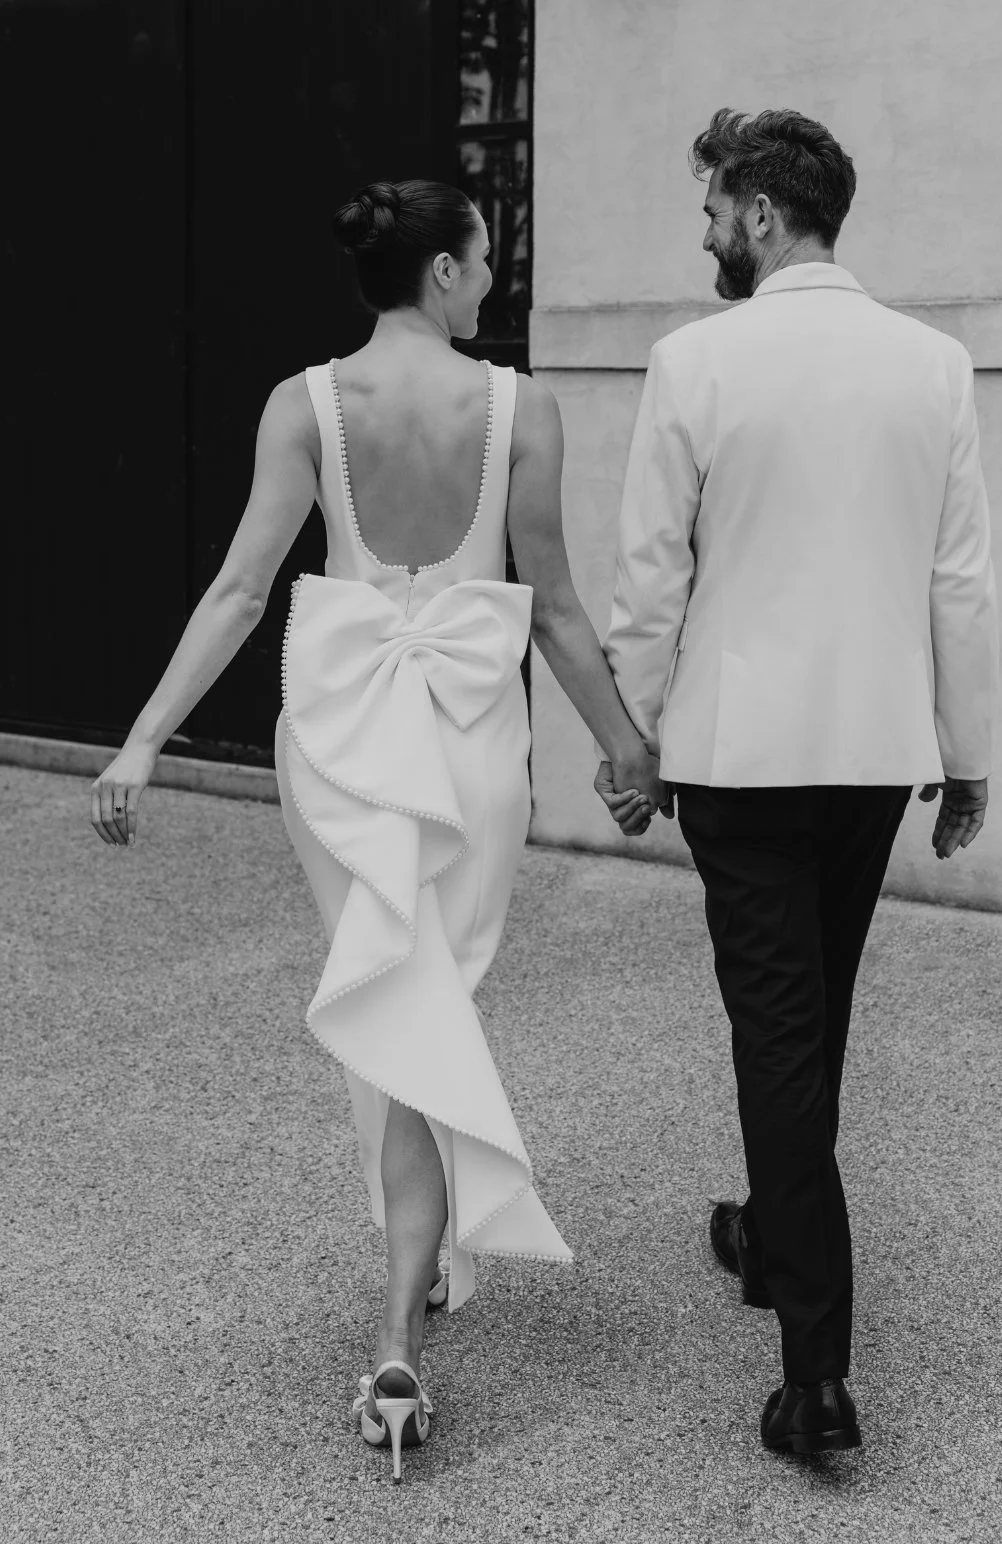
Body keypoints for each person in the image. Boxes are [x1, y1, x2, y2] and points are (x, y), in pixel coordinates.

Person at [90, 178, 663, 1482]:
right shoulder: (524, 407)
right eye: (484, 258)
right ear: (445, 274)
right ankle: (402, 1316)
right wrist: (626, 746)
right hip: (468, 745)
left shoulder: (304, 404)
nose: (494, 276)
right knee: (425, 998)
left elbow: (242, 589)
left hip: (340, 745)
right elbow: (559, 608)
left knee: (383, 999)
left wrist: (143, 740)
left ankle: (421, 1269)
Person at [594, 108, 998, 1456]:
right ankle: (770, 1231)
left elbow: (651, 576)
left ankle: (815, 1375)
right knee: (810, 1008)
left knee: (776, 1025)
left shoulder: (694, 361)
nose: (706, 233)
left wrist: (632, 740)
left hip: (743, 758)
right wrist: (968, 751)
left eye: (714, 209)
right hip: (876, 754)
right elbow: (961, 583)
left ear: (764, 215)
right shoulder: (932, 366)